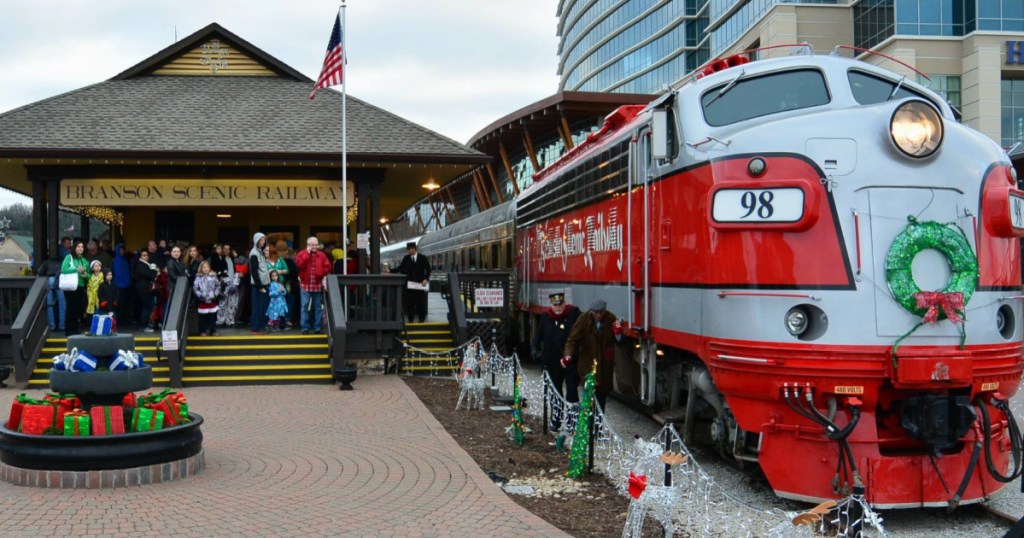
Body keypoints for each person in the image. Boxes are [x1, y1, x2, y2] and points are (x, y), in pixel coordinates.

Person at [532, 292, 582, 432]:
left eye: (560, 304)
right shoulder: (546, 317)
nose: (558, 308)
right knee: (555, 392)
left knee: (572, 391)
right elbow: (539, 334)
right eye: (555, 305)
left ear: (564, 303)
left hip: (570, 360)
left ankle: (572, 423)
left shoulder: (573, 313)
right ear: (551, 305)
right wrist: (535, 349)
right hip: (553, 361)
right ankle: (556, 420)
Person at [562, 299, 623, 411]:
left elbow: (619, 341)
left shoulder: (611, 318)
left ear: (604, 311)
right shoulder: (583, 319)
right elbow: (572, 340)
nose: (598, 315)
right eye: (596, 312)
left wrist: (618, 333)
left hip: (604, 367)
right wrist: (568, 355)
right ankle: (588, 425)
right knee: (588, 398)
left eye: (601, 312)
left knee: (601, 399)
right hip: (587, 366)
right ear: (591, 311)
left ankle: (598, 425)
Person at [293, 236, 332, 334]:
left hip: (317, 284)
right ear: (308, 245)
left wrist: (321, 272)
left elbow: (328, 266)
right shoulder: (301, 254)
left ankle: (317, 328)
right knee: (304, 307)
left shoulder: (321, 255)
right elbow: (299, 264)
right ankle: (305, 328)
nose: (315, 246)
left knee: (318, 307)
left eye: (316, 244)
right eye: (313, 245)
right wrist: (307, 253)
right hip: (305, 285)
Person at [397, 242, 430, 323]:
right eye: (408, 250)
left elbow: (428, 269)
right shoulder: (406, 258)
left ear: (414, 249)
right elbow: (400, 268)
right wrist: (390, 271)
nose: (408, 251)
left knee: (421, 302)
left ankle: (421, 319)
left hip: (420, 284)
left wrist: (426, 279)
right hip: (409, 284)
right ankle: (410, 319)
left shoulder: (423, 258)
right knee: (409, 302)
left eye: (409, 249)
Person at [60, 241, 89, 335]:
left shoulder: (84, 260)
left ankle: (75, 328)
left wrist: (85, 275)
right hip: (71, 286)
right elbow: (63, 269)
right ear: (74, 248)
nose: (81, 248)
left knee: (78, 308)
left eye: (82, 247)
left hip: (80, 285)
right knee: (70, 307)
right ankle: (68, 330)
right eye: (78, 246)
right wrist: (76, 269)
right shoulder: (69, 257)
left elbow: (89, 274)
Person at [248, 232, 271, 334]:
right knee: (257, 307)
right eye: (261, 240)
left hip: (265, 284)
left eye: (264, 240)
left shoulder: (261, 252)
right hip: (258, 286)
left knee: (263, 307)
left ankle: (261, 326)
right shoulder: (254, 253)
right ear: (256, 241)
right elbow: (254, 271)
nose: (263, 241)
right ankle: (255, 328)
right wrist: (259, 286)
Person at [193, 260, 220, 337]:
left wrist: (214, 294)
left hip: (212, 299)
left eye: (207, 267)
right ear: (201, 268)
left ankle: (213, 330)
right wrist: (200, 295)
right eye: (204, 267)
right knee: (203, 317)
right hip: (202, 299)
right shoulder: (198, 277)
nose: (206, 269)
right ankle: (203, 331)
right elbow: (195, 288)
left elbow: (218, 286)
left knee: (213, 316)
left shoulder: (213, 276)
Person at [133, 250, 158, 331]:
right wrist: (154, 269)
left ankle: (144, 325)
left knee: (147, 307)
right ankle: (144, 326)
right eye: (144, 255)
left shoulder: (144, 265)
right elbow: (151, 276)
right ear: (140, 257)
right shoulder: (140, 265)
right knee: (147, 308)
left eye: (147, 255)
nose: (146, 256)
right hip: (145, 290)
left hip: (145, 289)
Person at [112, 243, 133, 324]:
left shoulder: (124, 259)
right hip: (119, 285)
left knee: (125, 302)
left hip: (126, 284)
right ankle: (121, 319)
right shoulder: (117, 260)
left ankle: (124, 318)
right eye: (120, 250)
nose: (122, 251)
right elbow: (119, 273)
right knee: (120, 302)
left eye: (123, 250)